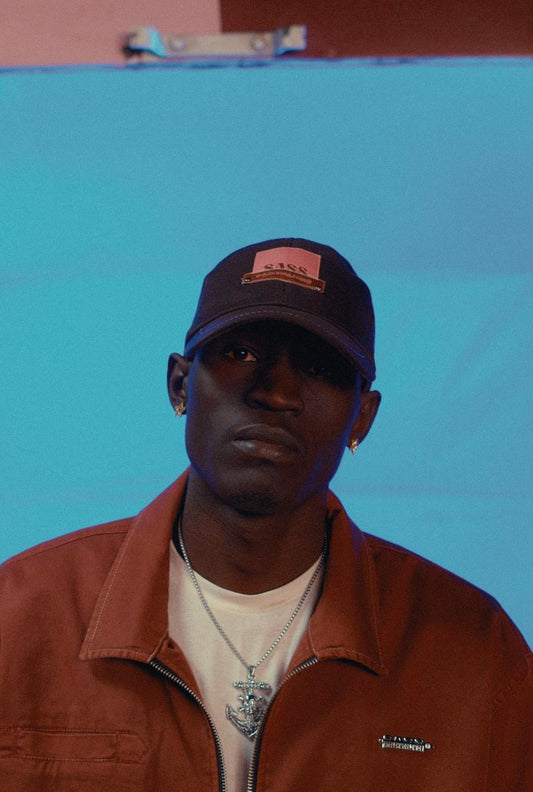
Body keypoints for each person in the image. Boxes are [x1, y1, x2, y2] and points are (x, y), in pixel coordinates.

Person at [0, 237, 531, 792]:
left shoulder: (479, 653)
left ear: (362, 418)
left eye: (319, 367)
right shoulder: (19, 616)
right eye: (241, 354)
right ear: (180, 385)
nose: (276, 393)